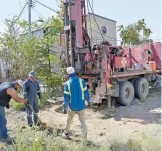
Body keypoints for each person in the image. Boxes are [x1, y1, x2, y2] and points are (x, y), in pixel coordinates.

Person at [62, 67, 91, 140]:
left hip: (72, 107)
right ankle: (84, 139)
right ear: (74, 72)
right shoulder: (82, 81)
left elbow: (66, 98)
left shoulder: (67, 84)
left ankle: (66, 133)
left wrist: (64, 107)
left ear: (68, 75)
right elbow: (86, 94)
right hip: (81, 106)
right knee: (83, 123)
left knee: (69, 120)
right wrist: (88, 102)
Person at [0, 80, 28, 144]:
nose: (19, 89)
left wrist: (6, 102)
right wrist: (25, 101)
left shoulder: (6, 83)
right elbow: (17, 99)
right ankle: (4, 137)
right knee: (2, 120)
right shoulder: (11, 89)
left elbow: (2, 92)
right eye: (20, 88)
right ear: (17, 85)